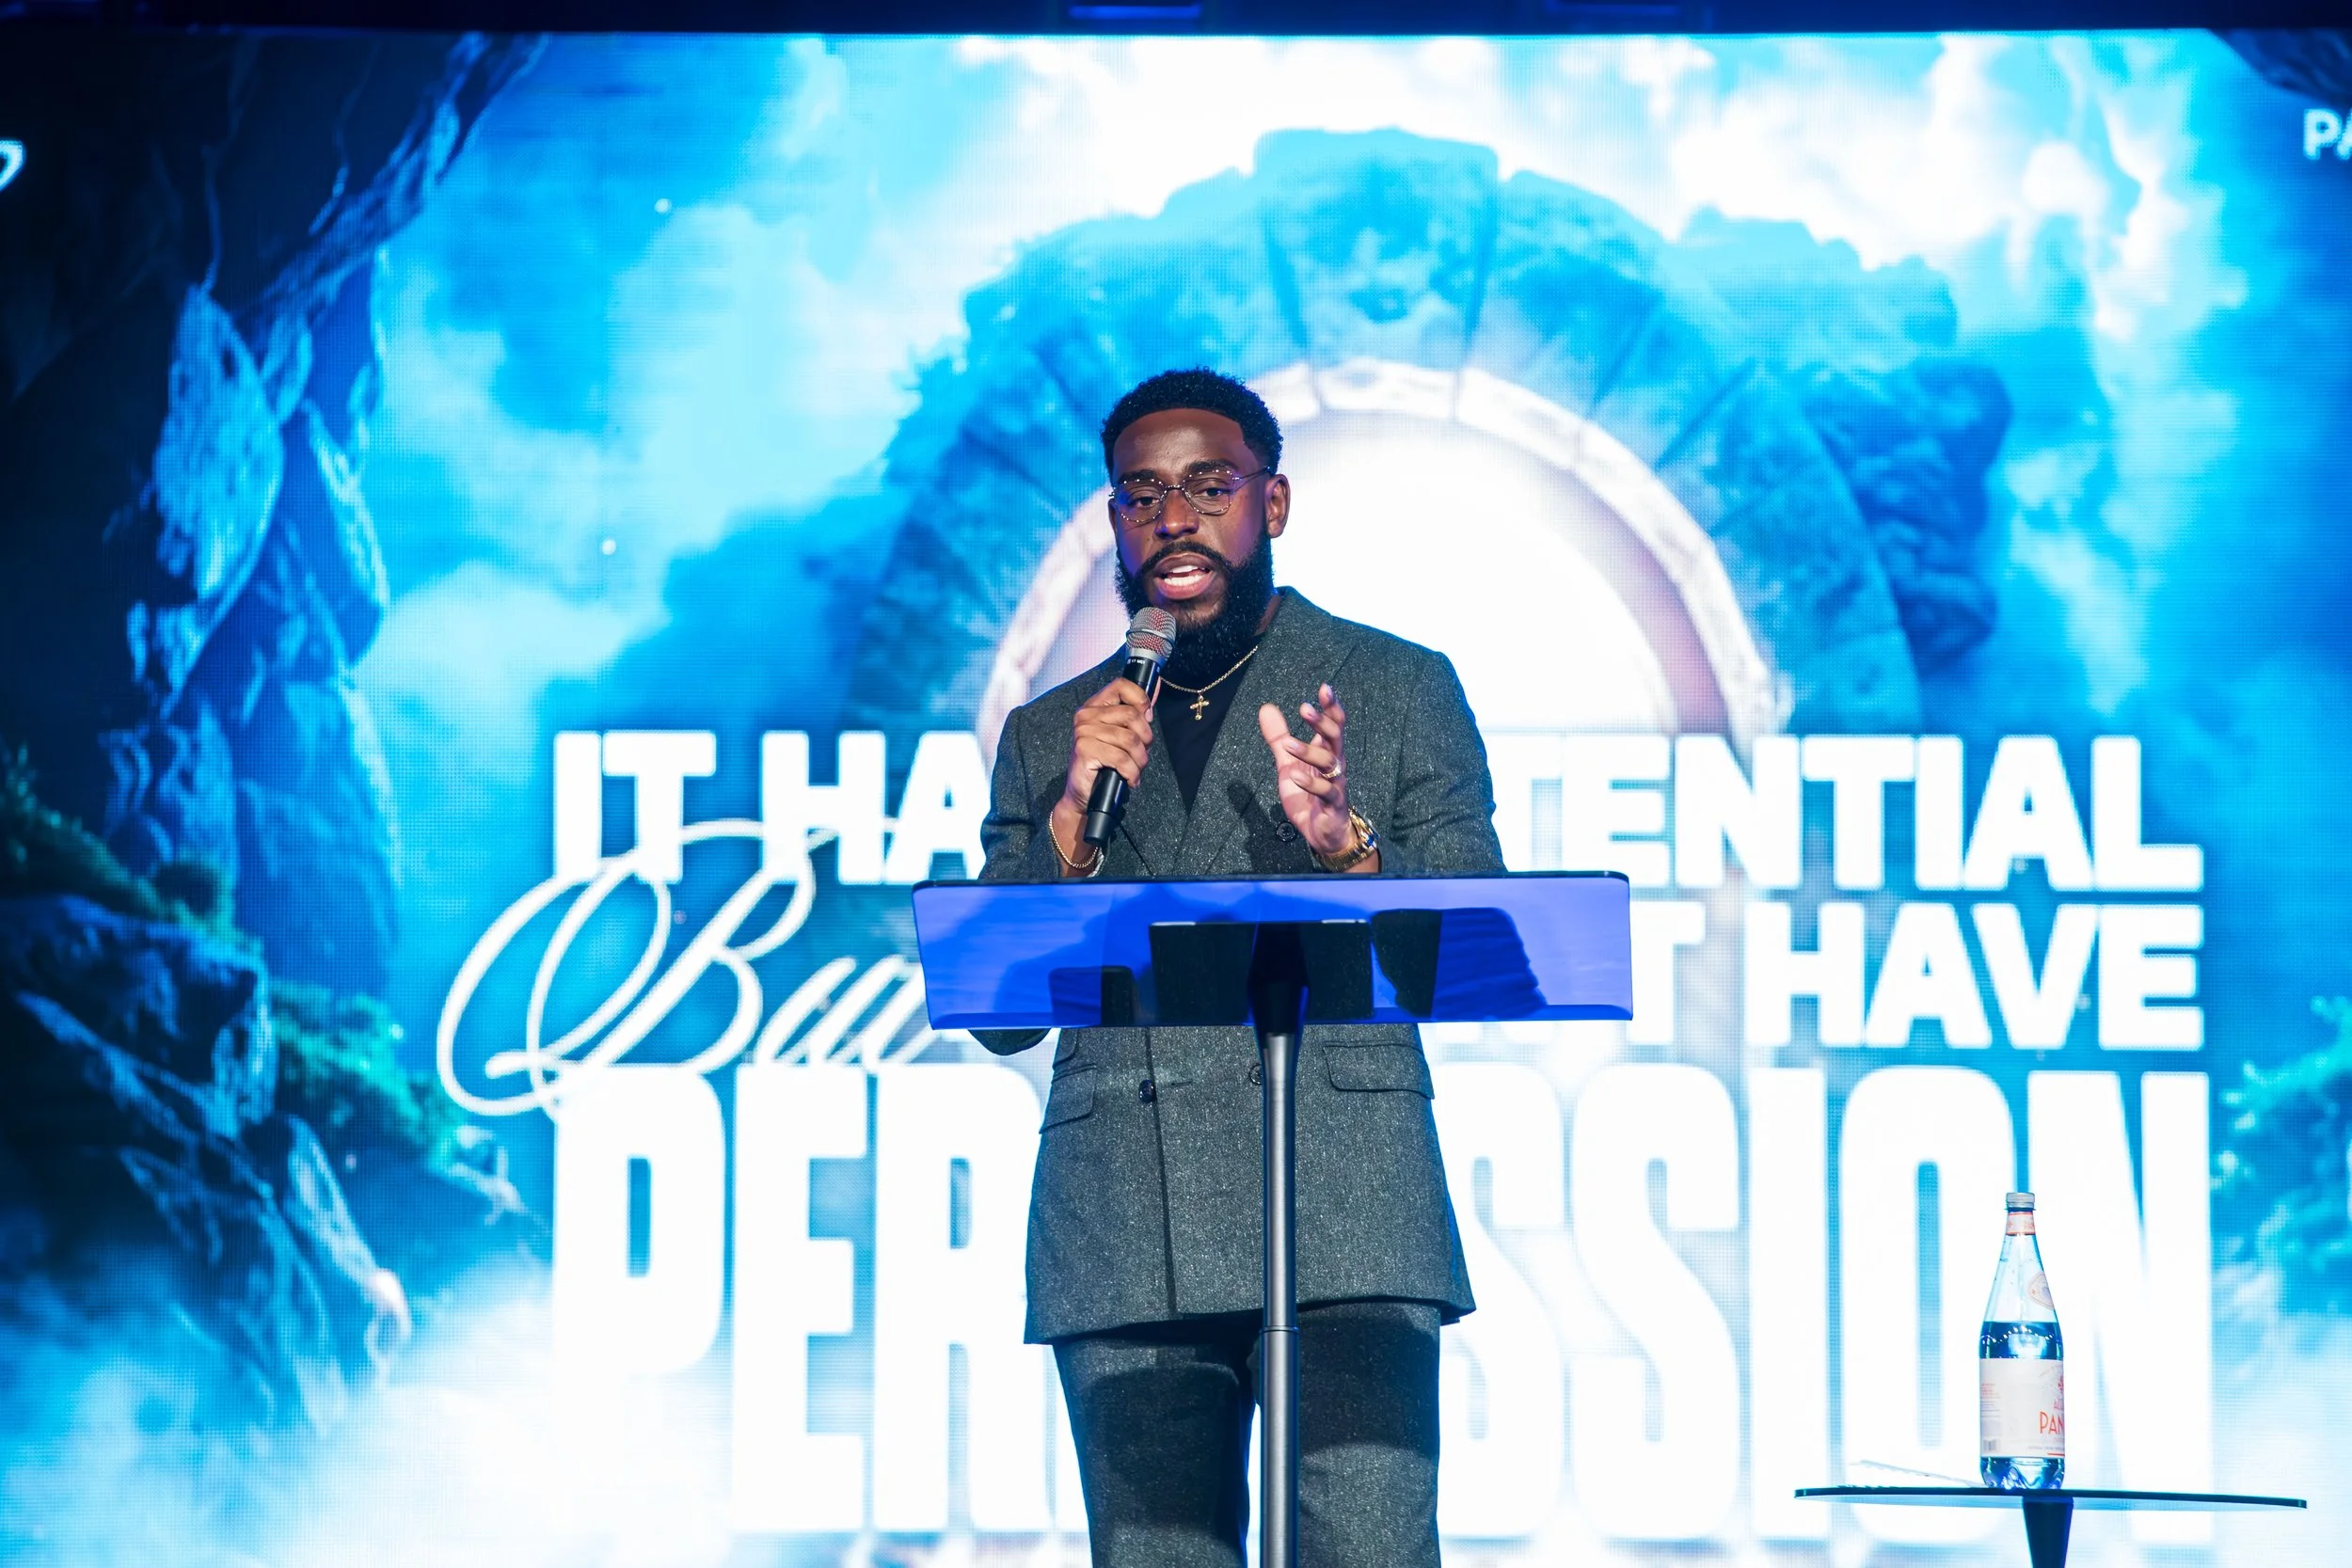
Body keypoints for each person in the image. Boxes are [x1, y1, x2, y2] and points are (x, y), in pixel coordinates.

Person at [977, 368, 1505, 1568]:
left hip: (1345, 1203)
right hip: (1125, 1211)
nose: (1173, 518)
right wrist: (1067, 828)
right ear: (1115, 522)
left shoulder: (1396, 684)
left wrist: (1349, 845)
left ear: (1271, 503)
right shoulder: (1052, 731)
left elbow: (1465, 953)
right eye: (1141, 494)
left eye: (1208, 487)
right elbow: (1002, 1013)